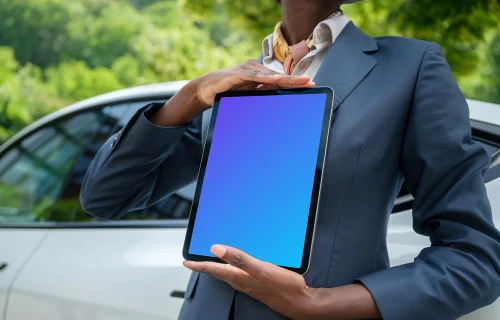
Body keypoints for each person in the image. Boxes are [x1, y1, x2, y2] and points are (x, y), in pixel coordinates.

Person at [80, 0, 500, 319]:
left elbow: (475, 260)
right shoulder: (234, 84)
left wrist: (318, 303)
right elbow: (105, 197)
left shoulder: (410, 67)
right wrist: (190, 97)